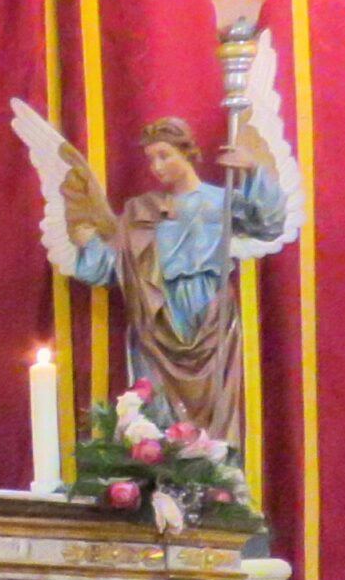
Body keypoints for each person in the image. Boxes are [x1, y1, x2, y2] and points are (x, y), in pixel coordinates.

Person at [66, 117, 288, 447]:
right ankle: (161, 479)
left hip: (208, 317)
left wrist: (253, 170)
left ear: (187, 153)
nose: (156, 166)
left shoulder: (220, 201)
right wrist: (89, 242)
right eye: (151, 158)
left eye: (164, 155)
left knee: (214, 413)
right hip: (157, 318)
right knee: (157, 411)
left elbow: (269, 223)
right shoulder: (142, 210)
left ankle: (218, 483)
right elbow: (114, 269)